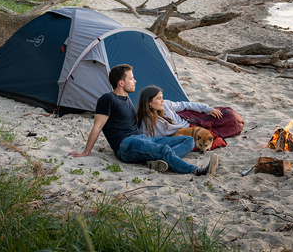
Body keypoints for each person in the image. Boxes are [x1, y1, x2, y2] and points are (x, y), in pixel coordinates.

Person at [69, 64, 218, 176]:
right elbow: (97, 126)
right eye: (131, 78)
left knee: (189, 141)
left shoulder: (126, 99)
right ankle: (197, 171)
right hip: (125, 144)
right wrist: (85, 152)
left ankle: (160, 161)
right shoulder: (108, 99)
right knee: (163, 150)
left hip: (142, 139)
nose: (135, 81)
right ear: (121, 83)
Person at [136, 85, 223, 137]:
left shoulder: (166, 104)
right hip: (186, 132)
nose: (162, 100)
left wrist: (207, 109)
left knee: (223, 115)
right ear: (149, 102)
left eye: (162, 97)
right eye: (159, 98)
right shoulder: (148, 124)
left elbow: (185, 105)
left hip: (188, 119)